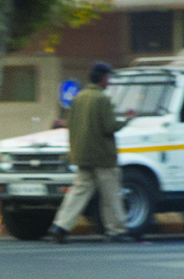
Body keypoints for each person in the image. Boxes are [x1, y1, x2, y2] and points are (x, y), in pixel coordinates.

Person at [49, 62, 137, 243]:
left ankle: (60, 226)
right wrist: (127, 120)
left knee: (77, 194)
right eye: (108, 78)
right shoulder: (101, 99)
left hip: (82, 155)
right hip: (103, 157)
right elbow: (109, 127)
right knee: (111, 194)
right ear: (103, 78)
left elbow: (70, 125)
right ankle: (117, 231)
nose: (109, 81)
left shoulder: (79, 97)